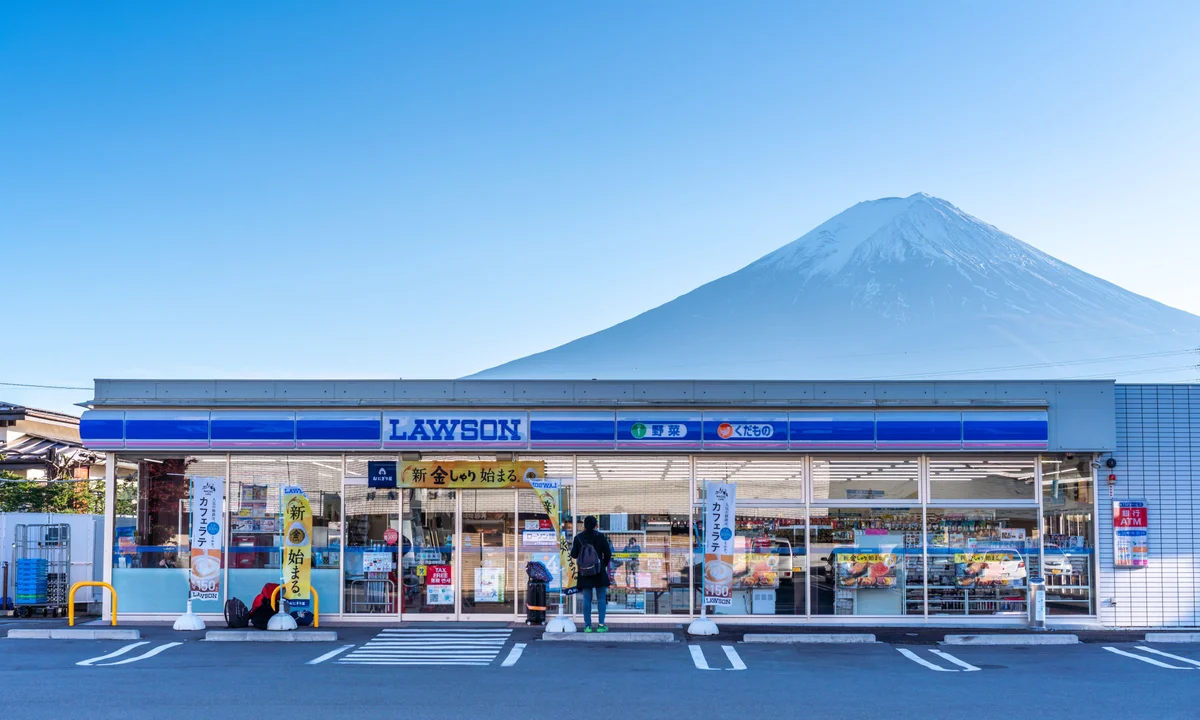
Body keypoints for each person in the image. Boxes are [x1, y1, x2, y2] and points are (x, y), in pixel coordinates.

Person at [570, 515, 613, 633]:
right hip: (599, 572)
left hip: (585, 572)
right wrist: (602, 565)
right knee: (601, 599)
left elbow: (573, 555)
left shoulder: (578, 538)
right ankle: (601, 625)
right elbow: (608, 554)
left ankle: (587, 626)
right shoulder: (600, 537)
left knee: (586, 599)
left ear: (584, 525)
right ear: (596, 525)